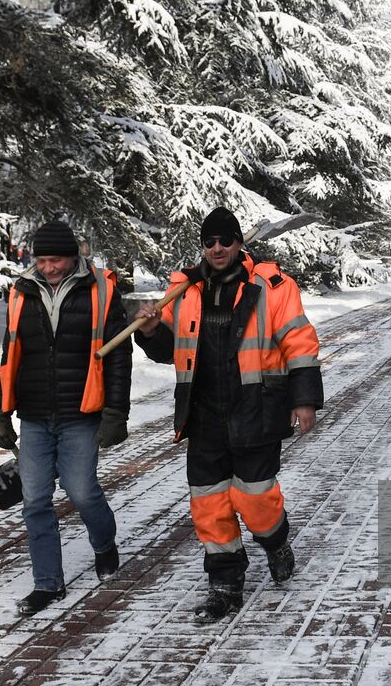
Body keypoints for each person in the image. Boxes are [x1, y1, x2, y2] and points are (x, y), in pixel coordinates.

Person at [133, 207, 323, 623]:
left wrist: (304, 398)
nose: (217, 248)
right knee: (209, 502)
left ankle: (275, 542)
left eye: (225, 240)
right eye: (209, 241)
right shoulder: (183, 289)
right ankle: (224, 581)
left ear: (239, 243)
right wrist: (150, 332)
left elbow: (299, 341)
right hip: (203, 414)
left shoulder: (271, 285)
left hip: (255, 409)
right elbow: (169, 347)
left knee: (255, 499)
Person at [0, 219, 132, 616]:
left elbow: (120, 354)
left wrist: (116, 412)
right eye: (42, 260)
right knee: (34, 500)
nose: (48, 268)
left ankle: (104, 545)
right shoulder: (22, 291)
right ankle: (47, 583)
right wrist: (2, 409)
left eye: (56, 260)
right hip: (34, 413)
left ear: (74, 256)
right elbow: (10, 352)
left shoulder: (101, 290)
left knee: (82, 492)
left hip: (81, 410)